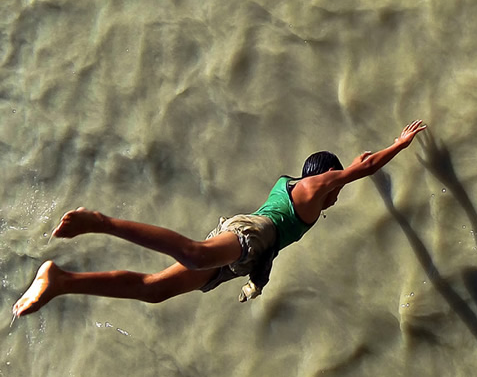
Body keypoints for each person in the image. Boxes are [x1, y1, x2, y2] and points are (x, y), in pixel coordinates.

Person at [12, 120, 427, 318]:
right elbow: (364, 165)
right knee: (193, 254)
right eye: (334, 184)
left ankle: (61, 281)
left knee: (153, 290)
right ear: (324, 178)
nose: (337, 193)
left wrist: (253, 283)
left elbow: (353, 165)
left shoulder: (298, 187)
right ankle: (100, 222)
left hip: (247, 250)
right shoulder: (313, 190)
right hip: (251, 233)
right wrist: (399, 145)